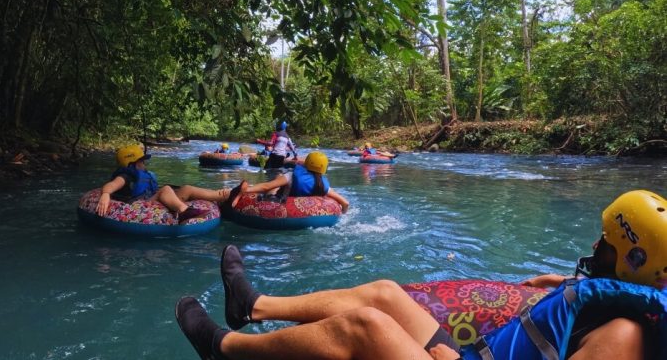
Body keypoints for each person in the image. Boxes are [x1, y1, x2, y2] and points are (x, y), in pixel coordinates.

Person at [176, 189, 667, 360]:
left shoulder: (624, 336)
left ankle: (225, 349)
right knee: (385, 293)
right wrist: (561, 283)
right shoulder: (625, 295)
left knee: (368, 325)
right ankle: (253, 307)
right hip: (475, 356)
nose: (594, 246)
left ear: (634, 260)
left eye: (607, 243)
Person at [95, 144, 243, 223]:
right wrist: (106, 194)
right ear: (132, 164)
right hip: (140, 205)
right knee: (165, 189)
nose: (144, 163)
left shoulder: (139, 174)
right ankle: (184, 212)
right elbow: (111, 185)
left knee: (187, 188)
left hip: (150, 199)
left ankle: (224, 196)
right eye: (142, 161)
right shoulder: (125, 176)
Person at [232, 151, 349, 212]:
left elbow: (266, 186)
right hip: (311, 216)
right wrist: (341, 212)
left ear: (307, 164)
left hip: (283, 205)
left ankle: (249, 190)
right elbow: (345, 203)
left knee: (276, 181)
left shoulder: (292, 175)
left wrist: (247, 190)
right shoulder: (322, 184)